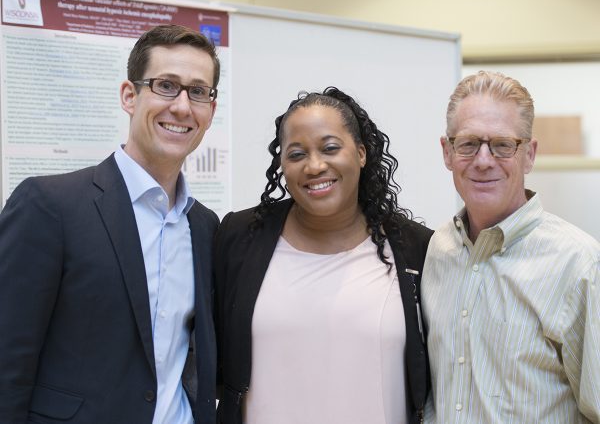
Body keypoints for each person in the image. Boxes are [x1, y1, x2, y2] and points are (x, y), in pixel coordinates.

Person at [0, 25, 220, 424]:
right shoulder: (50, 206)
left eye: (198, 91)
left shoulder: (204, 226)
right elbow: (6, 362)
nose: (183, 107)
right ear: (129, 96)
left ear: (211, 110)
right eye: (166, 85)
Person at [214, 86, 433, 424]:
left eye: (330, 148)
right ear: (282, 163)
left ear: (361, 153)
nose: (314, 166)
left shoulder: (416, 249)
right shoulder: (240, 237)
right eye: (296, 154)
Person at [422, 70, 600, 423]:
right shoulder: (436, 251)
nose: (483, 160)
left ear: (529, 155)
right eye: (468, 143)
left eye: (503, 145)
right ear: (447, 152)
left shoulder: (578, 263)